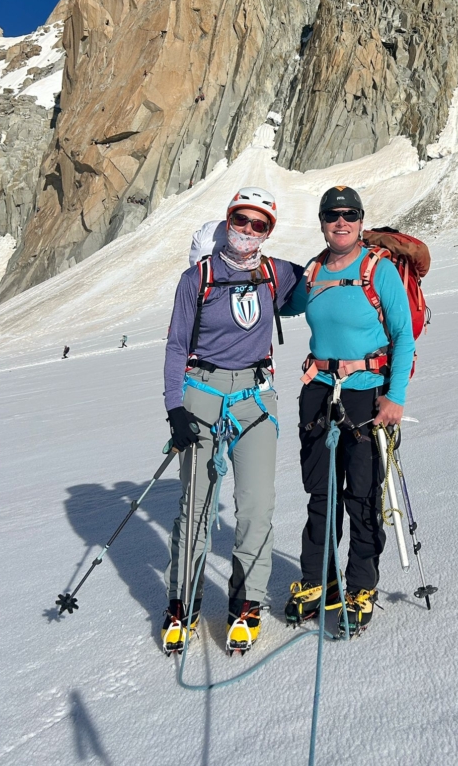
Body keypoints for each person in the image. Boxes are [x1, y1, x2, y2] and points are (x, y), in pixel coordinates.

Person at [161, 186, 302, 655]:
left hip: (256, 400)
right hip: (201, 393)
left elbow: (324, 283)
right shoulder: (197, 277)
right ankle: (183, 603)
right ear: (229, 221)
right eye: (241, 220)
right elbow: (177, 345)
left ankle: (247, 603)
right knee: (196, 507)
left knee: (256, 505)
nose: (248, 230)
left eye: (258, 224)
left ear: (269, 231)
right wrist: (174, 407)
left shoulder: (277, 273)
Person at [282, 186, 415, 636]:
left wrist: (394, 397)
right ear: (321, 222)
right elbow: (283, 304)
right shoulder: (313, 272)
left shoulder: (378, 271)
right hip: (318, 390)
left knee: (361, 493)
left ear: (361, 220)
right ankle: (321, 579)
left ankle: (361, 582)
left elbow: (403, 335)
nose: (341, 222)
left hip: (365, 392)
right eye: (332, 215)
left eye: (350, 215)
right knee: (321, 492)